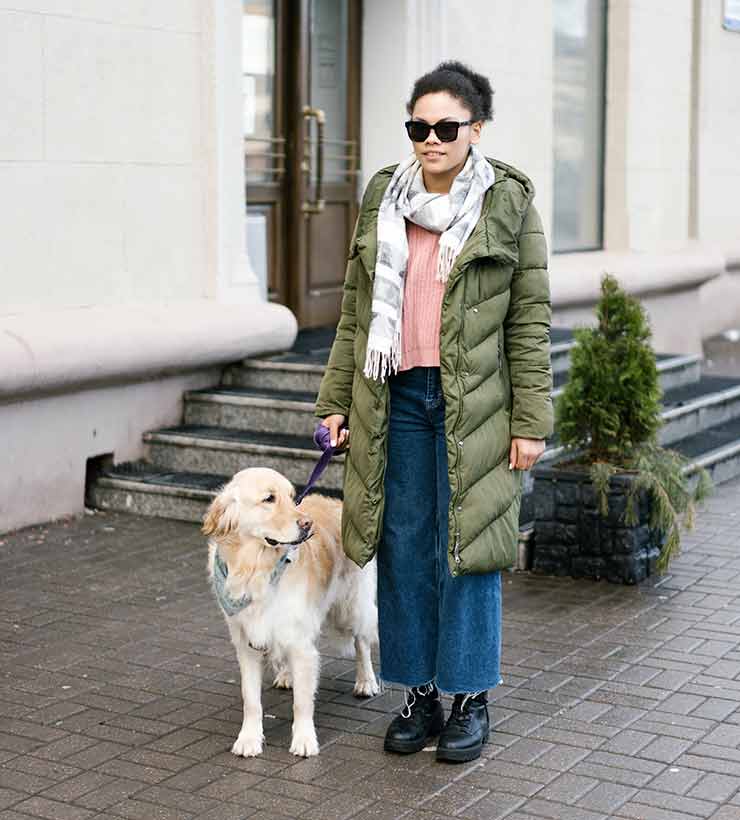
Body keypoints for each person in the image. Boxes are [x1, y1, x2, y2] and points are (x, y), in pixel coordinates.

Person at [314, 60, 554, 763]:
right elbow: (357, 313)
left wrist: (530, 420)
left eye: (446, 127)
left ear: (476, 129)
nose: (430, 138)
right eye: (418, 126)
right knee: (406, 547)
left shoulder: (506, 203)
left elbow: (529, 320)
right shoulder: (384, 195)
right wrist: (336, 400)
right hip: (398, 398)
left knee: (469, 549)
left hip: (475, 402)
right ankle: (417, 693)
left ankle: (470, 699)